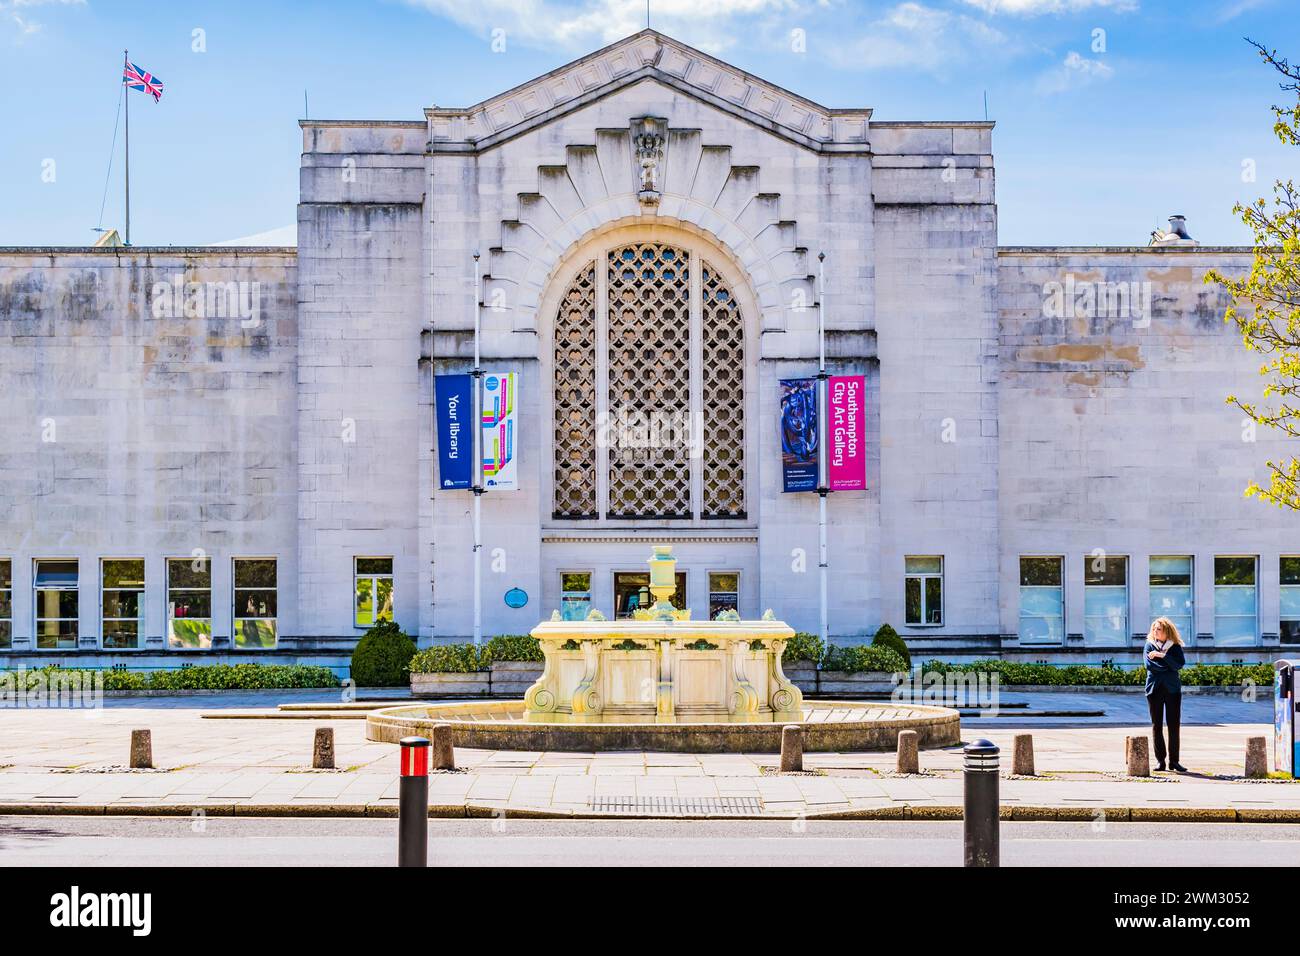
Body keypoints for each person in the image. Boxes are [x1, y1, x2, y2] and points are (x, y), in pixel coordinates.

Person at [1144, 616, 1187, 772]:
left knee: (1173, 726)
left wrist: (1163, 656)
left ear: (1167, 631)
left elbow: (1179, 664)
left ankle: (1174, 761)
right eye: (1154, 628)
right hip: (1154, 689)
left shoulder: (1175, 647)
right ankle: (1160, 761)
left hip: (1172, 690)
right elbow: (1150, 665)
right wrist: (1168, 666)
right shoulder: (1149, 646)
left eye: (1159, 629)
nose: (1155, 631)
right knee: (1157, 726)